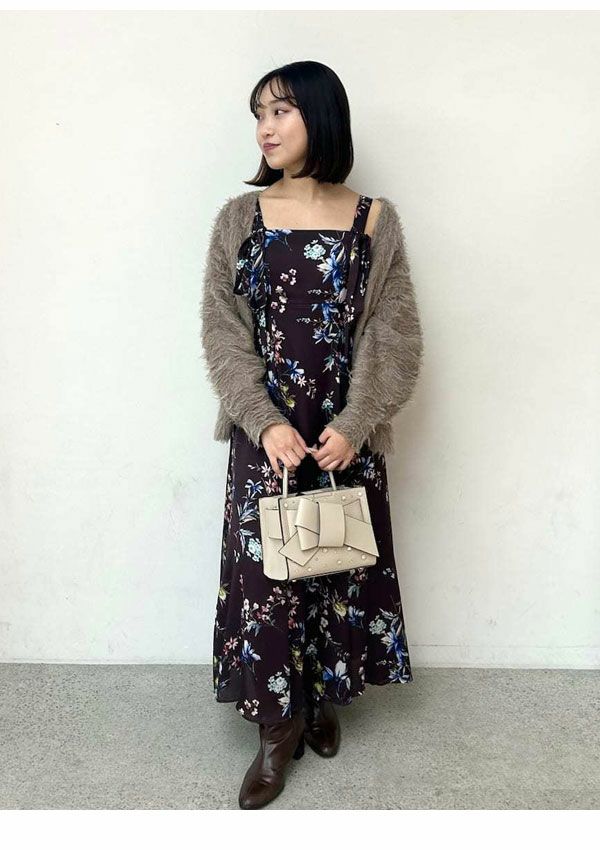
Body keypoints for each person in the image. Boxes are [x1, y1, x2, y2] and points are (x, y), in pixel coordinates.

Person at [200, 60, 424, 810]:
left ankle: (322, 697)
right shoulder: (241, 218)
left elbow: (393, 334)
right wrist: (262, 420)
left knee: (335, 564)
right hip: (267, 431)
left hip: (342, 431)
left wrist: (356, 423)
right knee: (270, 577)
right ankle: (277, 728)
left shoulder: (374, 219)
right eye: (258, 114)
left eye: (281, 111)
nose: (265, 128)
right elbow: (223, 331)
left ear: (321, 116)